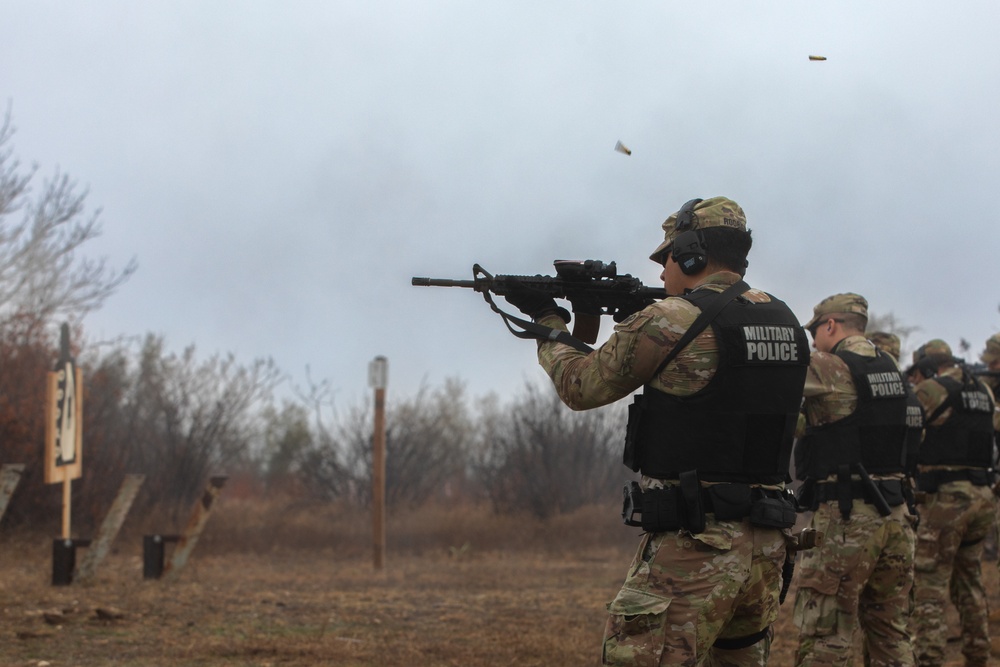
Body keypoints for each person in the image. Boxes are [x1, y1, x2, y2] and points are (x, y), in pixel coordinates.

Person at [504, 196, 810, 665]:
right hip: (766, 545)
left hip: (696, 547)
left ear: (692, 254)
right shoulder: (786, 322)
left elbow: (580, 386)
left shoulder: (670, 320)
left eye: (666, 256)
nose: (662, 271)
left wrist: (548, 322)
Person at [792, 293, 915, 666]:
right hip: (897, 514)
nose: (814, 341)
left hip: (849, 517)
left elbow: (776, 387)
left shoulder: (830, 366)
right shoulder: (890, 367)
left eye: (816, 331)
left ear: (831, 325)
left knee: (826, 634)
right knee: (891, 634)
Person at [907, 339, 1000, 667]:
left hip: (947, 498)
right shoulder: (983, 392)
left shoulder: (933, 390)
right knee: (970, 580)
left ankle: (929, 658)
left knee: (929, 584)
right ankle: (978, 653)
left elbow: (908, 432)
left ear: (927, 367)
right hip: (982, 496)